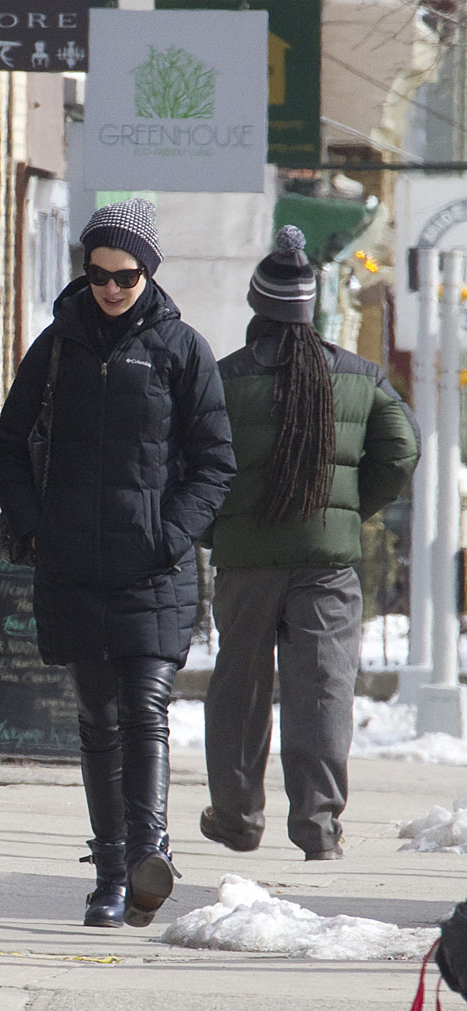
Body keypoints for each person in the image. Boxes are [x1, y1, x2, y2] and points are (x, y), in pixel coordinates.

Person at [0, 198, 235, 928]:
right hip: (73, 566)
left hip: (154, 569)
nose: (109, 288)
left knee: (145, 711)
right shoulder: (57, 345)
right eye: (97, 273)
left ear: (148, 272)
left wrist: (171, 533)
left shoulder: (181, 349)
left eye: (125, 275)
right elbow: (6, 444)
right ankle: (109, 873)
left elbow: (216, 464)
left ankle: (147, 855)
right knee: (97, 721)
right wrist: (34, 528)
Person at [200, 225, 419, 862]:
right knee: (322, 687)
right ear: (311, 306)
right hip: (327, 565)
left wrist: (218, 531)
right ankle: (318, 827)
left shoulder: (223, 379)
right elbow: (402, 449)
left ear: (257, 306)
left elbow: (189, 466)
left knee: (238, 688)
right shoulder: (361, 376)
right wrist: (348, 511)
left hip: (245, 561)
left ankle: (238, 817)